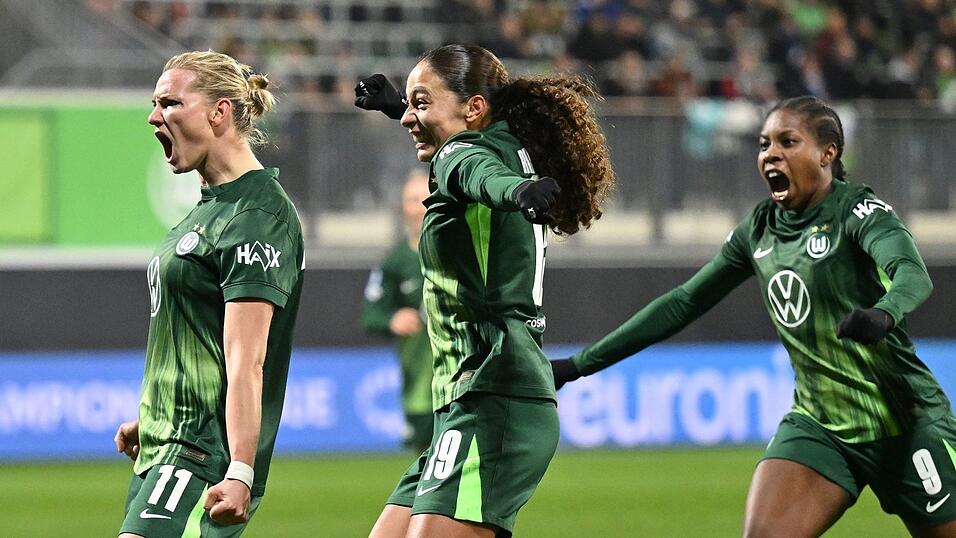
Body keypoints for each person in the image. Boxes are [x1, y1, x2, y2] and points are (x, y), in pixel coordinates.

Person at [550, 95, 956, 537]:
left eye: (788, 141)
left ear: (828, 153)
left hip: (904, 421)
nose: (770, 154)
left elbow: (912, 273)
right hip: (821, 425)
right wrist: (578, 365)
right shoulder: (759, 230)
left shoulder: (856, 210)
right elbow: (684, 302)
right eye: (764, 144)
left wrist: (885, 312)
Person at [355, 44, 616, 537]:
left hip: (493, 397)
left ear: (474, 106)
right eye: (409, 105)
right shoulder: (509, 145)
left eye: (421, 103)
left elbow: (473, 170)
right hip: (476, 399)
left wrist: (514, 193)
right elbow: (473, 159)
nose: (411, 116)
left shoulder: (466, 156)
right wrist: (401, 110)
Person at [113, 50, 305, 538]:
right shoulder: (208, 210)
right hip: (167, 447)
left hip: (202, 456)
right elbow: (195, 335)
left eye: (170, 103)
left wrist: (241, 470)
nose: (154, 116)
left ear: (219, 112)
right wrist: (154, 413)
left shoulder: (257, 217)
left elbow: (247, 359)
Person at [362, 169, 435, 452]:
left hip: (462, 382)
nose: (418, 207)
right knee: (426, 466)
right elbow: (370, 314)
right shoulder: (395, 263)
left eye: (423, 198)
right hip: (419, 388)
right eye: (411, 199)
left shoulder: (459, 251)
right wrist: (393, 319)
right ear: (402, 207)